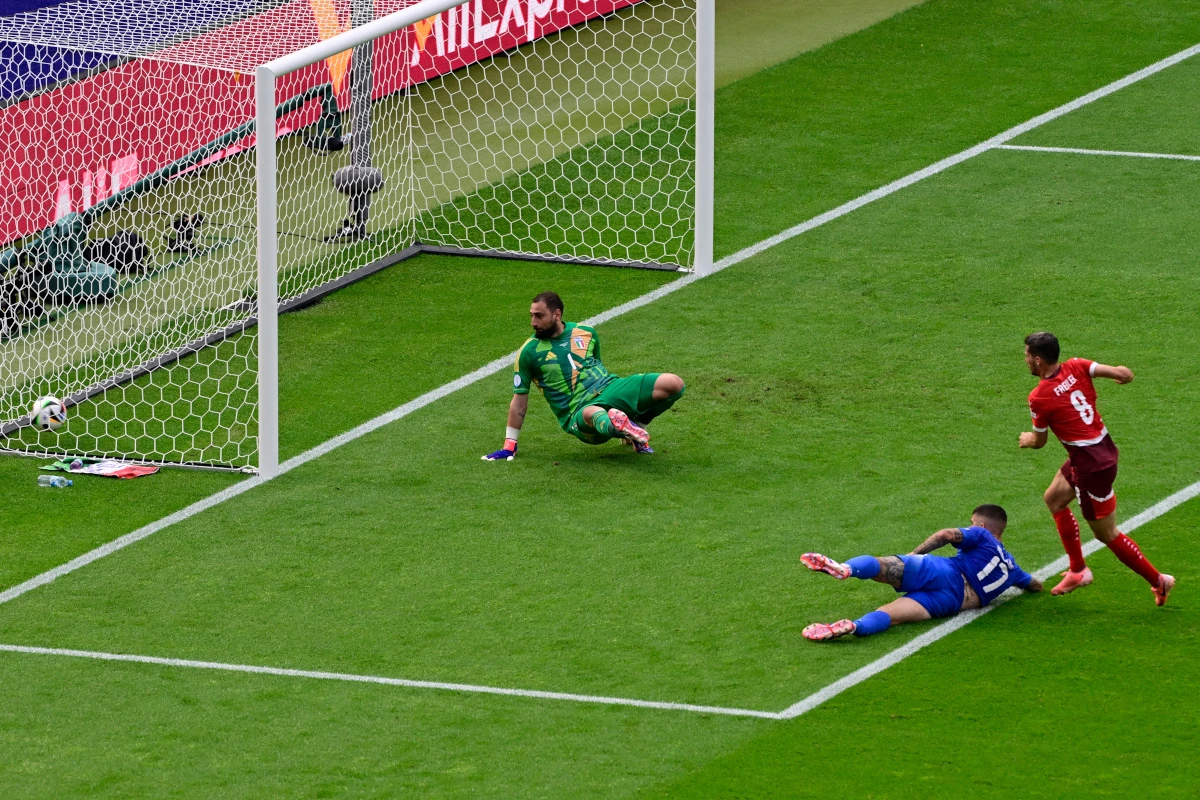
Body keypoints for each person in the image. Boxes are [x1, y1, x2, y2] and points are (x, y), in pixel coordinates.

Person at [1019, 332, 1174, 605]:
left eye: (1027, 356)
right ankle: (1078, 570)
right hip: (1100, 449)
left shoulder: (1039, 397)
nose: (1026, 360)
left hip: (1091, 467)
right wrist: (1123, 374)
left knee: (1106, 533)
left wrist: (1026, 440)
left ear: (1039, 360)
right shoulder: (1077, 365)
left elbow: (1039, 441)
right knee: (1054, 498)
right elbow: (1120, 372)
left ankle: (1159, 580)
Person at [483, 291, 685, 460]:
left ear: (557, 314)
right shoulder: (529, 352)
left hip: (608, 388)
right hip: (577, 412)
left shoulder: (586, 332)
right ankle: (621, 428)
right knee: (592, 413)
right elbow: (519, 401)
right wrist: (510, 444)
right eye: (531, 315)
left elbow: (597, 364)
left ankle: (636, 427)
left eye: (539, 316)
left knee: (673, 384)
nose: (533, 322)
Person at [799, 504, 1042, 641]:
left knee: (882, 565)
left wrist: (916, 554)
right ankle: (853, 626)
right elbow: (1034, 585)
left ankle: (846, 568)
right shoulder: (1013, 569)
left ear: (981, 525)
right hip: (952, 602)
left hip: (944, 573)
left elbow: (945, 535)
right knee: (890, 616)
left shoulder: (981, 535)